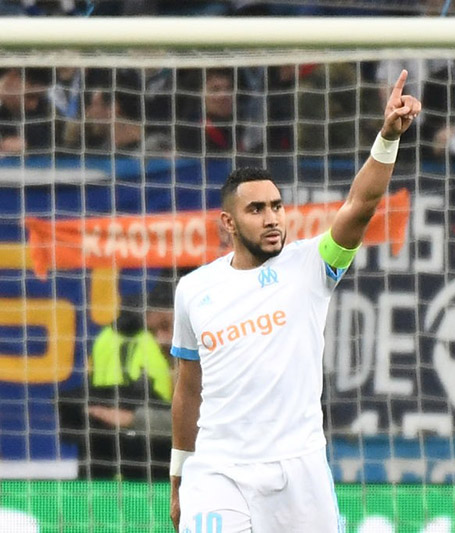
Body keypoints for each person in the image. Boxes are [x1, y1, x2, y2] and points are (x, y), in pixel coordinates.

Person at [169, 70, 421, 531]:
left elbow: (360, 205)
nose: (272, 219)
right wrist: (179, 471)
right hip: (218, 470)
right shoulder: (194, 289)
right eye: (257, 209)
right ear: (228, 222)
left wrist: (387, 137)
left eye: (277, 206)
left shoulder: (311, 266)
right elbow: (189, 387)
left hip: (298, 469)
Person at [59, 279, 176, 480]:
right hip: (138, 437)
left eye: (165, 327)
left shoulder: (104, 337)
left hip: (127, 429)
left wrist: (130, 418)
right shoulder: (158, 348)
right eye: (155, 330)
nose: (161, 339)